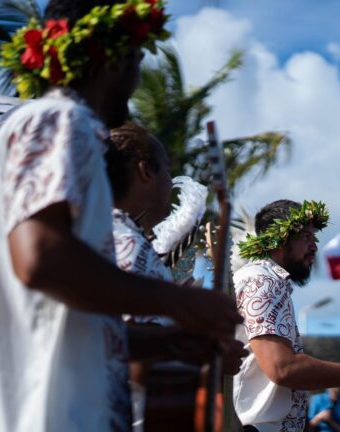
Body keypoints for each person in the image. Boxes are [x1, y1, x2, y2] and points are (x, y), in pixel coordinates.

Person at [0, 1, 242, 430]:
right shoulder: (61, 118)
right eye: (137, 57)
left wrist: (172, 339)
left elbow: (71, 320)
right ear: (113, 56)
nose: (138, 77)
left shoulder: (45, 125)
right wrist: (181, 300)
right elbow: (41, 261)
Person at [106, 122, 248, 431]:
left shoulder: (114, 236)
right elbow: (126, 354)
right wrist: (208, 362)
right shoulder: (125, 244)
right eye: (168, 172)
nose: (171, 184)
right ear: (145, 172)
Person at [232, 199, 340, 432]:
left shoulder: (266, 280)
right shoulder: (262, 281)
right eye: (306, 237)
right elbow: (283, 368)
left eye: (314, 238)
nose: (314, 247)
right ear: (280, 238)